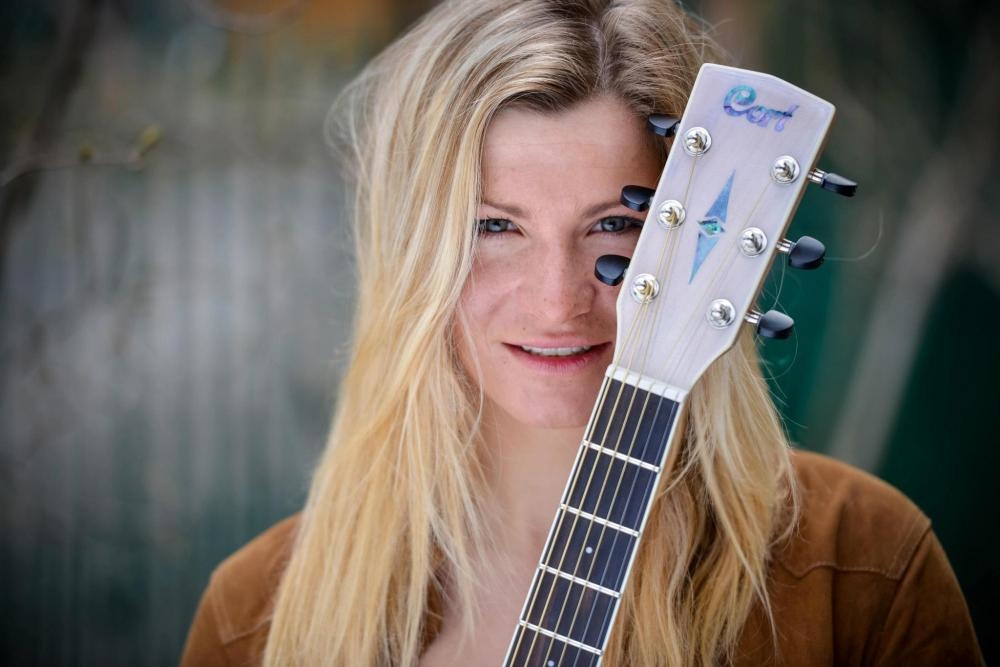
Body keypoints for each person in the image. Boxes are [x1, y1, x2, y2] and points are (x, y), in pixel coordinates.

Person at [180, 1, 984, 665]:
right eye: (495, 226)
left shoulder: (864, 569)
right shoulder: (255, 617)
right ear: (412, 250)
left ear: (693, 237)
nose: (558, 300)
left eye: (613, 225)